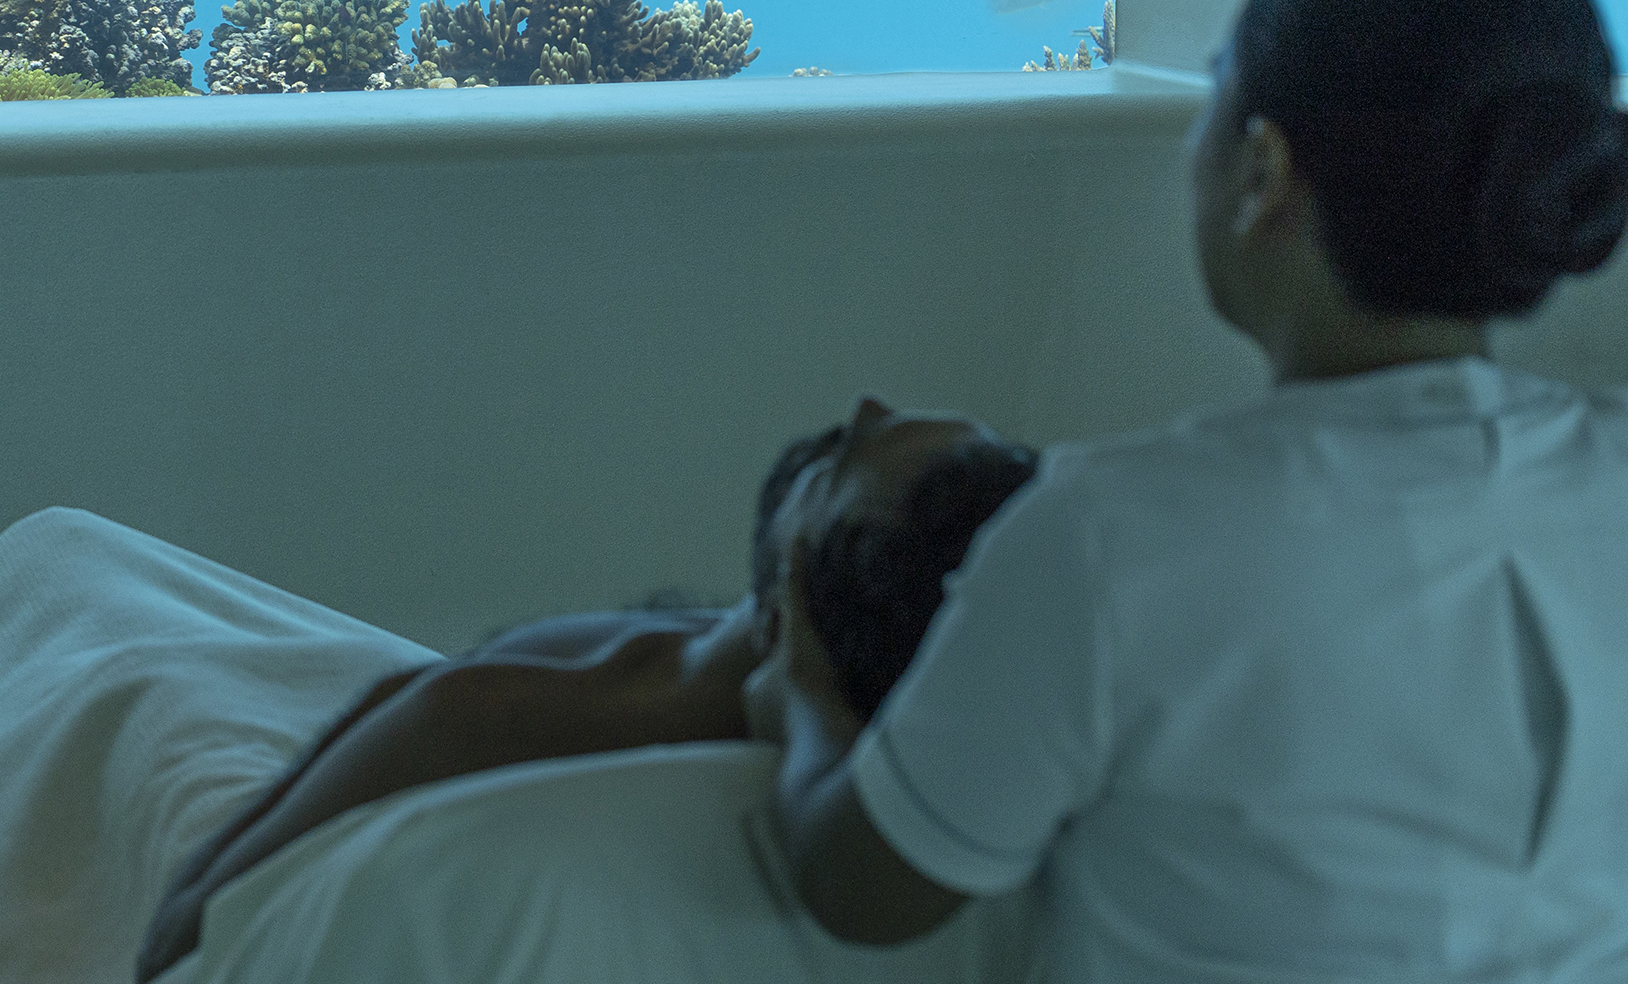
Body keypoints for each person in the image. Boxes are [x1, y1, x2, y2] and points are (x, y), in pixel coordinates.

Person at [764, 0, 1628, 981]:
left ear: (1263, 170)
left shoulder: (1108, 536)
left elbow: (862, 889)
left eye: (1210, 99)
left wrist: (803, 690)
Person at [134, 409, 1037, 980]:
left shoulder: (486, 716)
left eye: (842, 459)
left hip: (235, 766)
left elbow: (177, 936)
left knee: (89, 567)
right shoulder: (822, 658)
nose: (866, 406)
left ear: (790, 612)